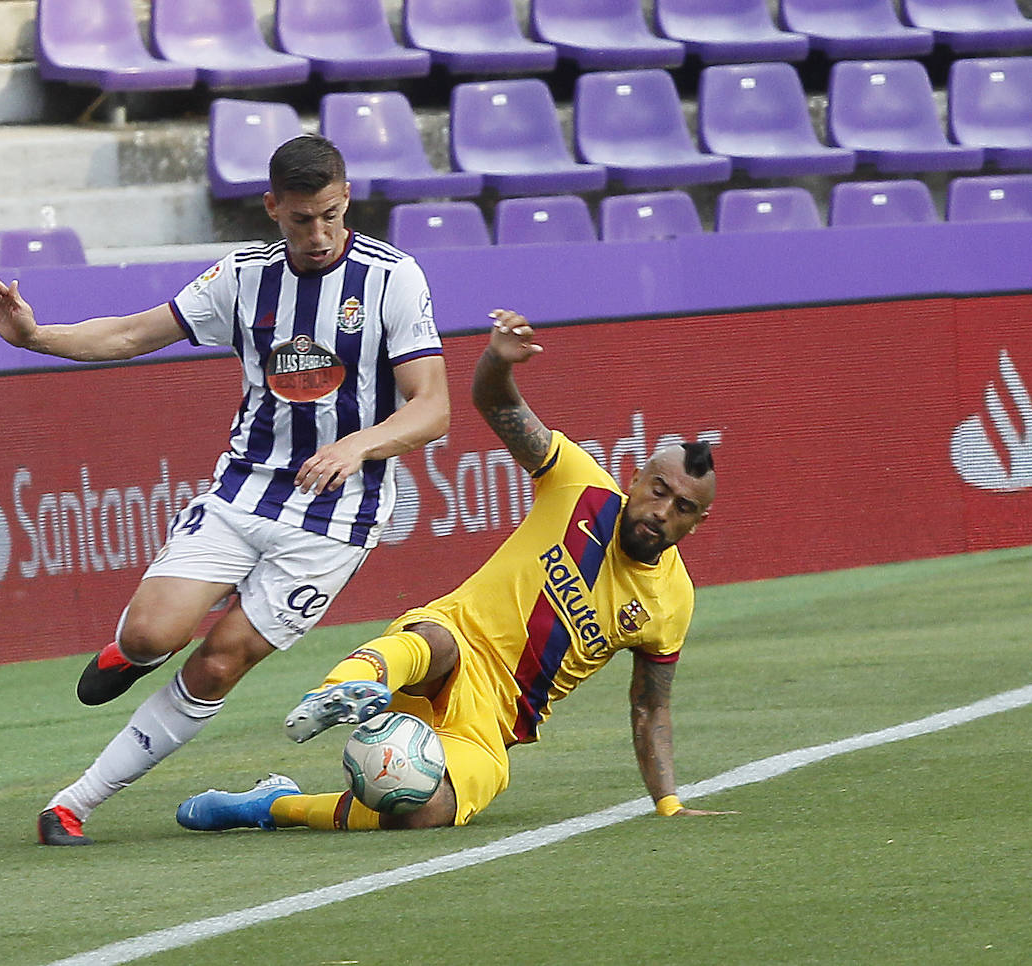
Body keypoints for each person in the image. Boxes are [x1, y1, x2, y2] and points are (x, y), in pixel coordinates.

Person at [0, 135, 450, 845]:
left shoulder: (391, 278)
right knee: (148, 631)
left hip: (333, 521)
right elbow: (131, 334)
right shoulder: (243, 277)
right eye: (301, 220)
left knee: (220, 660)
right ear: (271, 208)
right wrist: (36, 337)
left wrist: (359, 443)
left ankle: (73, 803)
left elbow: (431, 407)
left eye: (332, 216)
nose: (318, 235)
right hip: (243, 492)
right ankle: (131, 652)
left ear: (348, 200)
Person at [176, 309, 736, 832]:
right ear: (634, 479)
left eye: (682, 508)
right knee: (434, 641)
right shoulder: (579, 484)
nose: (661, 511)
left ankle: (276, 804)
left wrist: (669, 803)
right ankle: (346, 688)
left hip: (493, 722)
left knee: (425, 812)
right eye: (658, 491)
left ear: (699, 523)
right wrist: (496, 361)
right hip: (452, 648)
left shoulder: (672, 601)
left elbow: (650, 705)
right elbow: (497, 406)